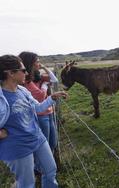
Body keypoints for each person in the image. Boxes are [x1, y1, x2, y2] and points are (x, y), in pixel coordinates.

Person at [0, 54, 68, 188]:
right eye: (23, 70)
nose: (26, 73)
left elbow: (37, 107)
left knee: (50, 170)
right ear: (10, 73)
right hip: (17, 147)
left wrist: (51, 98)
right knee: (27, 184)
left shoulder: (23, 90)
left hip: (37, 138)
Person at [19, 51, 58, 152]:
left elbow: (55, 80)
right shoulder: (26, 81)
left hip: (48, 111)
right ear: (30, 63)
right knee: (45, 143)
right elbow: (41, 96)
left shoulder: (37, 75)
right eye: (37, 61)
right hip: (40, 115)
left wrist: (44, 68)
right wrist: (45, 85)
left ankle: (50, 164)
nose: (39, 64)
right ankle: (43, 166)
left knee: (53, 142)